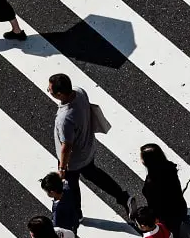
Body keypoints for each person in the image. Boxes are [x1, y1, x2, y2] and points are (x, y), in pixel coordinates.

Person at [48, 73, 133, 220]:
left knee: (72, 186)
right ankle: (122, 197)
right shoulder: (80, 92)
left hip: (73, 161)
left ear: (60, 94)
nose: (48, 91)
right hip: (88, 148)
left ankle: (77, 214)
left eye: (50, 90)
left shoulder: (65, 118)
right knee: (95, 175)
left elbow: (66, 146)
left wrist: (62, 168)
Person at [140, 143, 190, 238]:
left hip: (166, 217)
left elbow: (155, 203)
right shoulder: (169, 168)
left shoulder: (153, 181)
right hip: (178, 209)